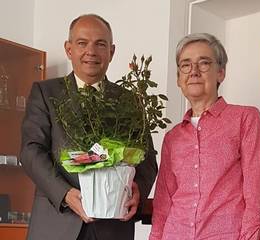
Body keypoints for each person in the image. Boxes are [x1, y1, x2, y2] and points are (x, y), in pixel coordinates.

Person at [20, 14, 157, 240]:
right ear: (69, 49)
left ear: (111, 52)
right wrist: (65, 194)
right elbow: (31, 150)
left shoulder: (130, 100)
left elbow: (147, 158)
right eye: (82, 43)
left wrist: (138, 191)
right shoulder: (46, 93)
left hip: (113, 227)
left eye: (100, 44)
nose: (91, 51)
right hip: (56, 223)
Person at [149, 33, 260, 240]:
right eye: (185, 65)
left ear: (220, 72)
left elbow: (255, 191)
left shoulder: (245, 118)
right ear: (179, 78)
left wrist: (250, 235)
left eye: (204, 63)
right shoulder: (172, 137)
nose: (194, 72)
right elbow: (163, 200)